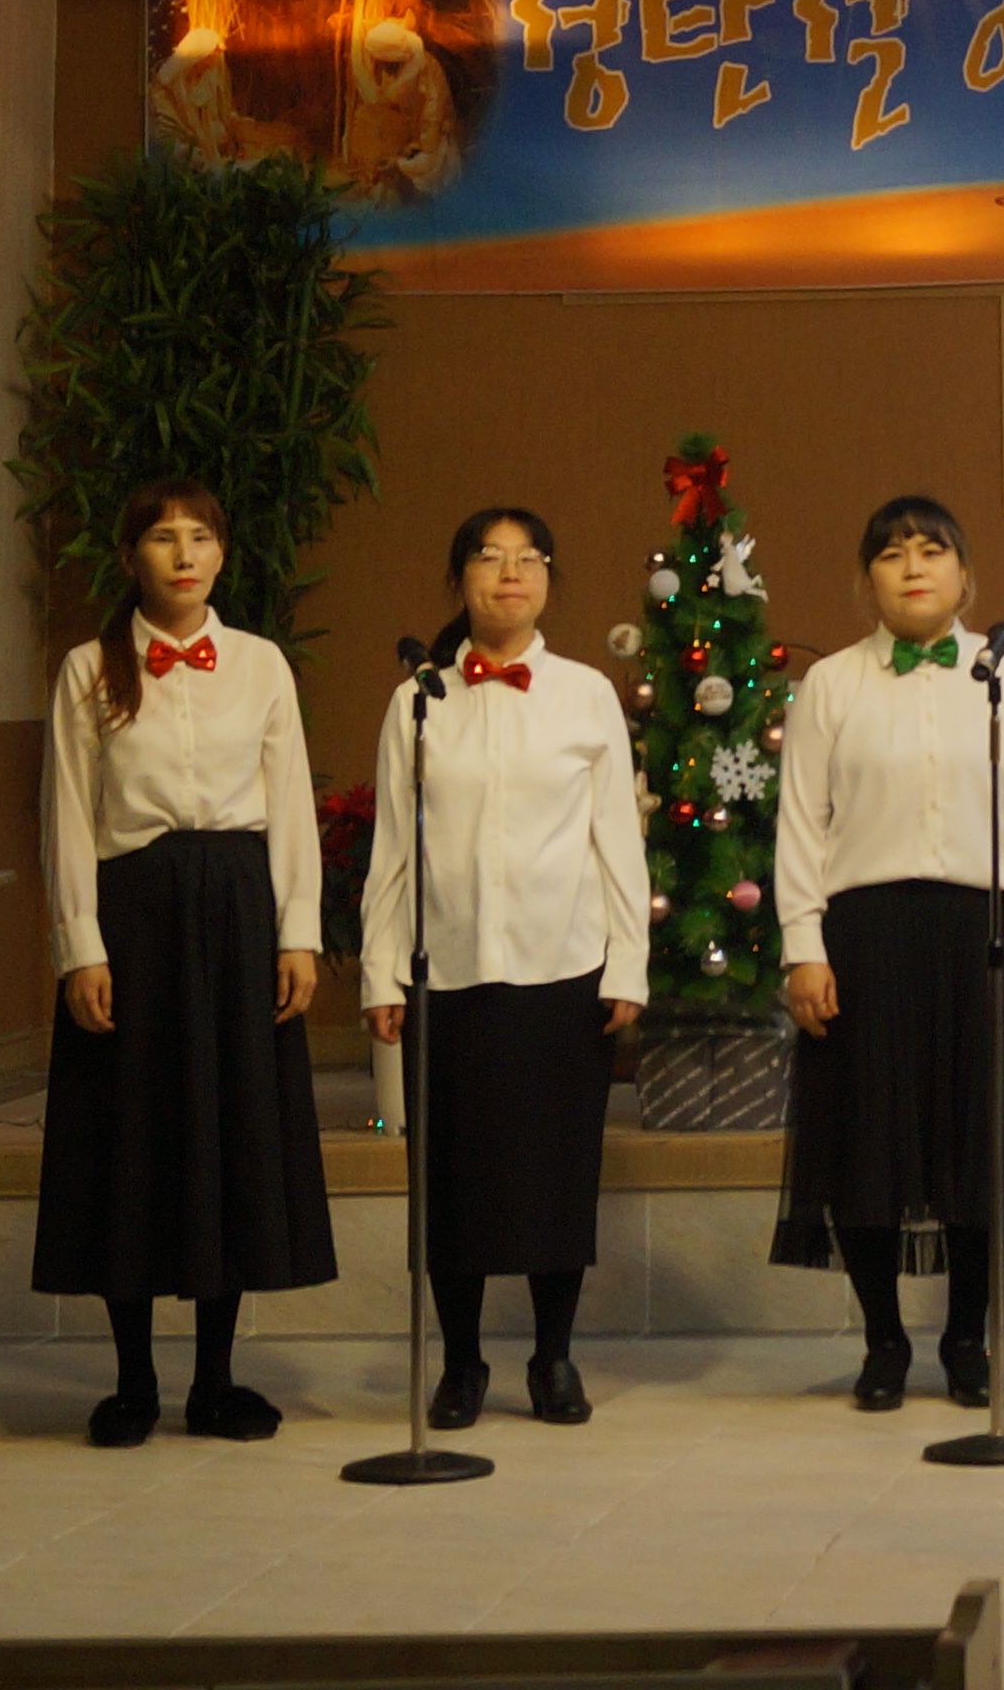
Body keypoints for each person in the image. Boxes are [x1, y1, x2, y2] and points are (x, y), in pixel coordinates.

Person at [31, 478, 338, 1445]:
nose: (184, 555)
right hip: (134, 913)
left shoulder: (260, 664)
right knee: (130, 1134)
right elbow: (66, 813)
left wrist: (298, 931)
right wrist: (80, 944)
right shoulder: (89, 667)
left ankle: (215, 1380)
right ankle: (133, 1383)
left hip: (240, 910)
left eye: (201, 537)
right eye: (163, 538)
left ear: (222, 553)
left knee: (230, 1129)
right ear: (132, 558)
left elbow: (290, 801)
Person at [772, 493, 1004, 1413]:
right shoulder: (833, 685)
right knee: (867, 1142)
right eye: (893, 553)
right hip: (865, 935)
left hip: (985, 934)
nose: (913, 566)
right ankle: (884, 1342)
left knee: (979, 1143)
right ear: (867, 580)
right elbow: (801, 825)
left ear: (966, 576)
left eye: (932, 550)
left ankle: (964, 1341)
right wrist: (802, 946)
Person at [359, 506, 648, 1428]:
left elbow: (617, 840)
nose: (510, 574)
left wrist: (627, 966)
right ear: (461, 580)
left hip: (563, 969)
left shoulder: (586, 694)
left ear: (549, 579)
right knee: (452, 1181)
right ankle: (461, 1363)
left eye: (528, 560)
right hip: (447, 971)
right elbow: (392, 851)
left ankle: (553, 1357)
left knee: (557, 1174)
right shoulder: (417, 701)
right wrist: (379, 971)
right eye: (489, 558)